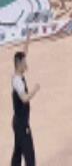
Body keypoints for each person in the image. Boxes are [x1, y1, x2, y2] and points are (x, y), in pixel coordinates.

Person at [11, 30, 39, 166]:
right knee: (29, 155)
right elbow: (24, 98)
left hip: (18, 123)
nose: (26, 64)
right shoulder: (18, 82)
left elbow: (24, 53)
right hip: (22, 125)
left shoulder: (18, 74)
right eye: (24, 62)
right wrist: (35, 90)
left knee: (18, 151)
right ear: (19, 64)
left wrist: (28, 37)